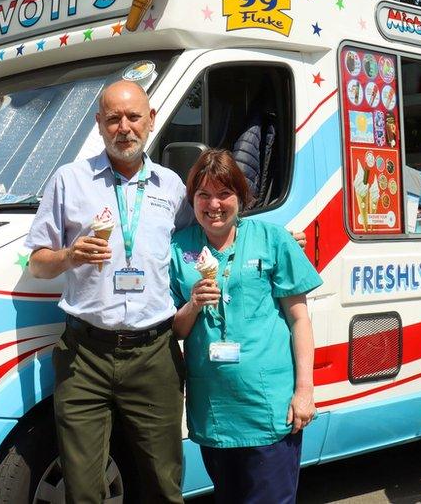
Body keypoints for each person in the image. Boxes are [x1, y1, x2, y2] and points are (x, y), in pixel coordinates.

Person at [27, 80, 191, 503]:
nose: (124, 127)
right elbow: (37, 263)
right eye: (113, 118)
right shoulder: (69, 181)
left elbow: (206, 239)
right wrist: (68, 256)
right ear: (99, 123)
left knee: (163, 484)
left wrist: (277, 236)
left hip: (154, 353)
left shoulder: (172, 187)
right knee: (83, 489)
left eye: (133, 116)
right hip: (85, 355)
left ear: (151, 120)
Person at [169, 149, 321, 504]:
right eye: (203, 195)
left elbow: (300, 318)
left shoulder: (273, 239)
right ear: (192, 200)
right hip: (215, 412)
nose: (214, 204)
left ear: (241, 197)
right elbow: (175, 330)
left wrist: (305, 391)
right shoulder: (178, 249)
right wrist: (193, 303)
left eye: (224, 193)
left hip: (268, 409)